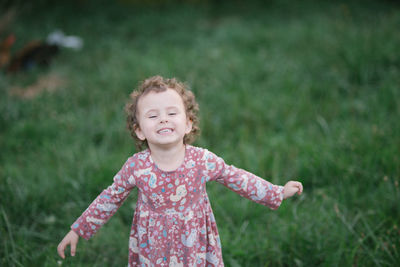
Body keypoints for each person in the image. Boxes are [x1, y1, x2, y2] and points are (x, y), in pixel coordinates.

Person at [57, 75, 303, 266]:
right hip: (154, 247)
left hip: (193, 242)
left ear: (188, 124)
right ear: (139, 130)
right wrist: (78, 229)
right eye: (153, 116)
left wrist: (276, 192)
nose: (163, 119)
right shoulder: (137, 167)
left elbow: (236, 177)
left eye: (172, 113)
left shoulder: (201, 160)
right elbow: (110, 197)